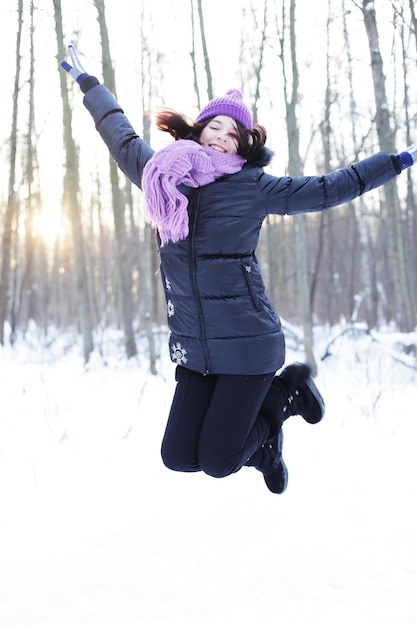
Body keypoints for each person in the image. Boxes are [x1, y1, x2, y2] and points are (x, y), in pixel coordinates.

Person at [61, 45, 416, 494]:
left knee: (219, 461)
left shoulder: (254, 188)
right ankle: (266, 447)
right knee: (177, 457)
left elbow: (328, 189)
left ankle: (285, 392)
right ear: (198, 129)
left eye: (233, 134)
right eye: (215, 126)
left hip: (249, 346)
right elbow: (121, 137)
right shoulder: (162, 176)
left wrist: (397, 161)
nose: (221, 137)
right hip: (198, 347)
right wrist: (89, 84)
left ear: (244, 145)